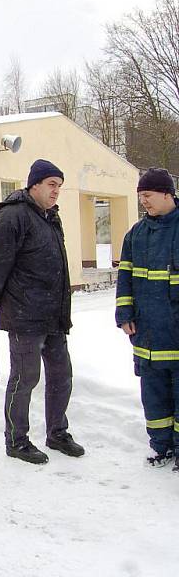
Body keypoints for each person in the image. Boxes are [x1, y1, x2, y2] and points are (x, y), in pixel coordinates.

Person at [0, 159, 85, 465]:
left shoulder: (51, 217)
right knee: (25, 378)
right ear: (34, 185)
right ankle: (16, 440)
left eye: (60, 186)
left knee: (61, 375)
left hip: (54, 314)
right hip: (25, 315)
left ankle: (57, 432)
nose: (56, 191)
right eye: (52, 184)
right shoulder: (13, 216)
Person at [115, 167, 179, 471]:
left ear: (168, 194)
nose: (144, 202)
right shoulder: (136, 234)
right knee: (153, 395)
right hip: (147, 333)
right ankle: (161, 446)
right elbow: (125, 277)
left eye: (148, 195)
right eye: (140, 196)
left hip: (175, 330)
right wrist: (124, 313)